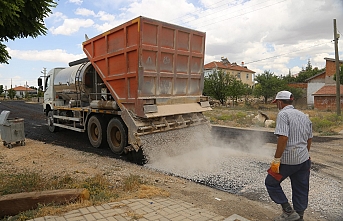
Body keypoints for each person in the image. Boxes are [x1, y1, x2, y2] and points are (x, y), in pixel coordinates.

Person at [265, 90, 312, 221]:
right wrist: (305, 154)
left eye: (276, 103)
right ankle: (299, 217)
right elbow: (309, 139)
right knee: (301, 188)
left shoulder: (283, 114)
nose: (276, 105)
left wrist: (276, 160)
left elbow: (283, 138)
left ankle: (288, 212)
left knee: (271, 182)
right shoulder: (304, 115)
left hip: (288, 161)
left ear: (280, 102)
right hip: (304, 160)